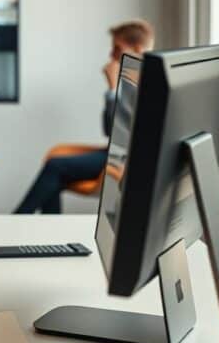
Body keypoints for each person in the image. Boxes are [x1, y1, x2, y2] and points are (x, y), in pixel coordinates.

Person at [14, 19, 155, 214]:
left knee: (55, 167)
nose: (111, 55)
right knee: (55, 176)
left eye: (117, 48)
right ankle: (47, 234)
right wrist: (112, 91)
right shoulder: (130, 82)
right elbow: (108, 130)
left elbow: (121, 135)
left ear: (138, 49)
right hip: (114, 152)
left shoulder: (152, 84)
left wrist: (113, 89)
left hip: (128, 159)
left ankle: (18, 217)